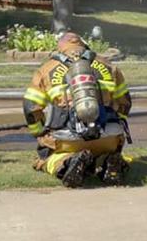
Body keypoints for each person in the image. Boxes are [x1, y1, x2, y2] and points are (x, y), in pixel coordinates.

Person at [22, 32, 131, 188]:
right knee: (105, 151)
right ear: (84, 46)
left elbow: (30, 107)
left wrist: (39, 133)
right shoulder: (109, 66)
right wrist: (117, 126)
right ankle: (108, 161)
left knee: (45, 158)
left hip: (67, 140)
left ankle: (67, 162)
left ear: (60, 49)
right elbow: (125, 103)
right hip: (108, 137)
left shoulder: (47, 69)